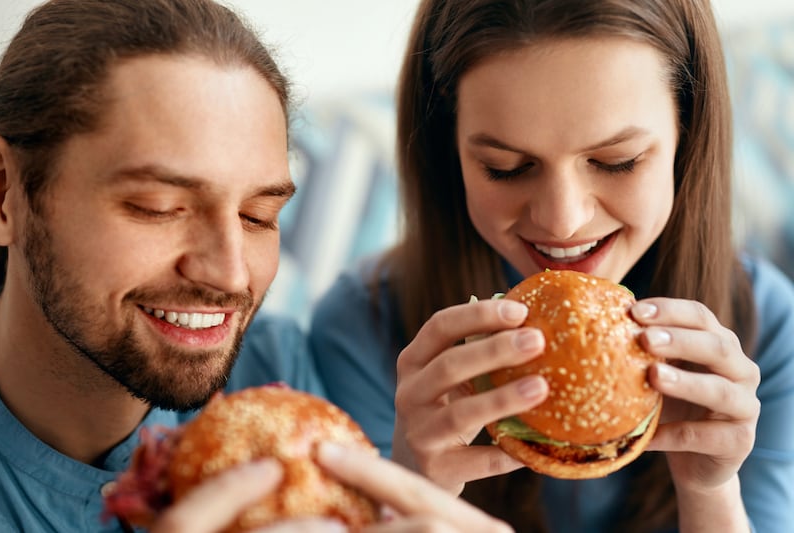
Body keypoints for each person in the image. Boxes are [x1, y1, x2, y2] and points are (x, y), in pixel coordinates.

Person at [0, 1, 513, 532]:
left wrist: (405, 494)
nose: (231, 274)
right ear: (3, 193)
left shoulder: (280, 379)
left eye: (257, 216)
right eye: (158, 207)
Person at [310, 0, 794, 531]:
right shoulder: (363, 325)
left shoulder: (766, 325)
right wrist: (411, 493)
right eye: (506, 168)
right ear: (450, 152)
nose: (563, 221)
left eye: (617, 161)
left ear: (687, 134)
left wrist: (712, 491)